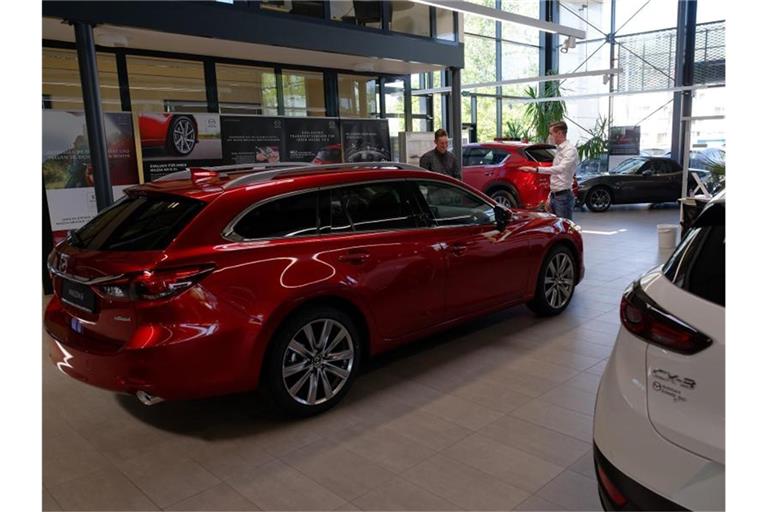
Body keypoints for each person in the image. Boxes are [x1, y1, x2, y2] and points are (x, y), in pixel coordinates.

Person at [520, 121, 578, 220]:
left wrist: (536, 170)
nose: (549, 136)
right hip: (555, 195)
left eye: (551, 133)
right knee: (556, 228)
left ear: (559, 133)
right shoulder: (559, 150)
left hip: (563, 197)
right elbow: (555, 178)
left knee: (564, 229)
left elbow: (560, 169)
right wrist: (550, 197)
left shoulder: (570, 150)